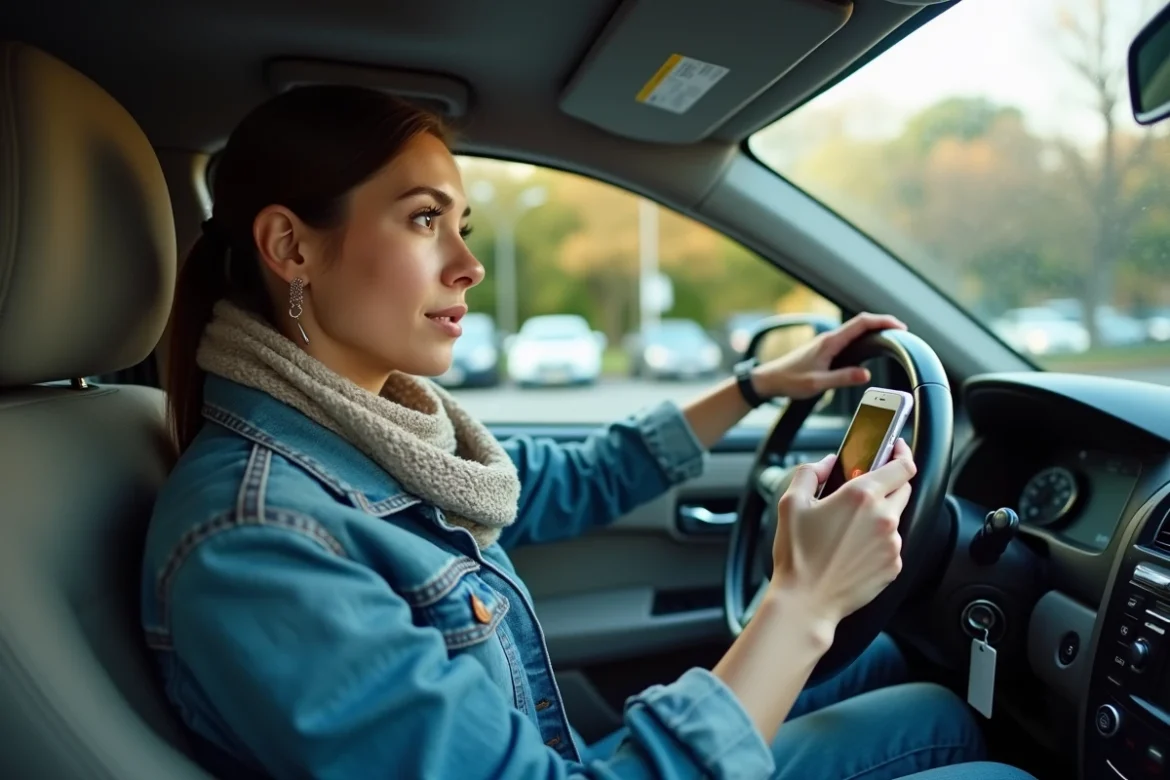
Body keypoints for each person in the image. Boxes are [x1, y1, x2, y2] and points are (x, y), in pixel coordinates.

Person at [140, 85, 1037, 780]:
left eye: (463, 223)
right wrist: (801, 603)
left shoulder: (380, 444)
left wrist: (757, 385)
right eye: (423, 219)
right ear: (291, 249)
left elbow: (579, 475)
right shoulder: (257, 543)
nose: (469, 262)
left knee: (927, 704)